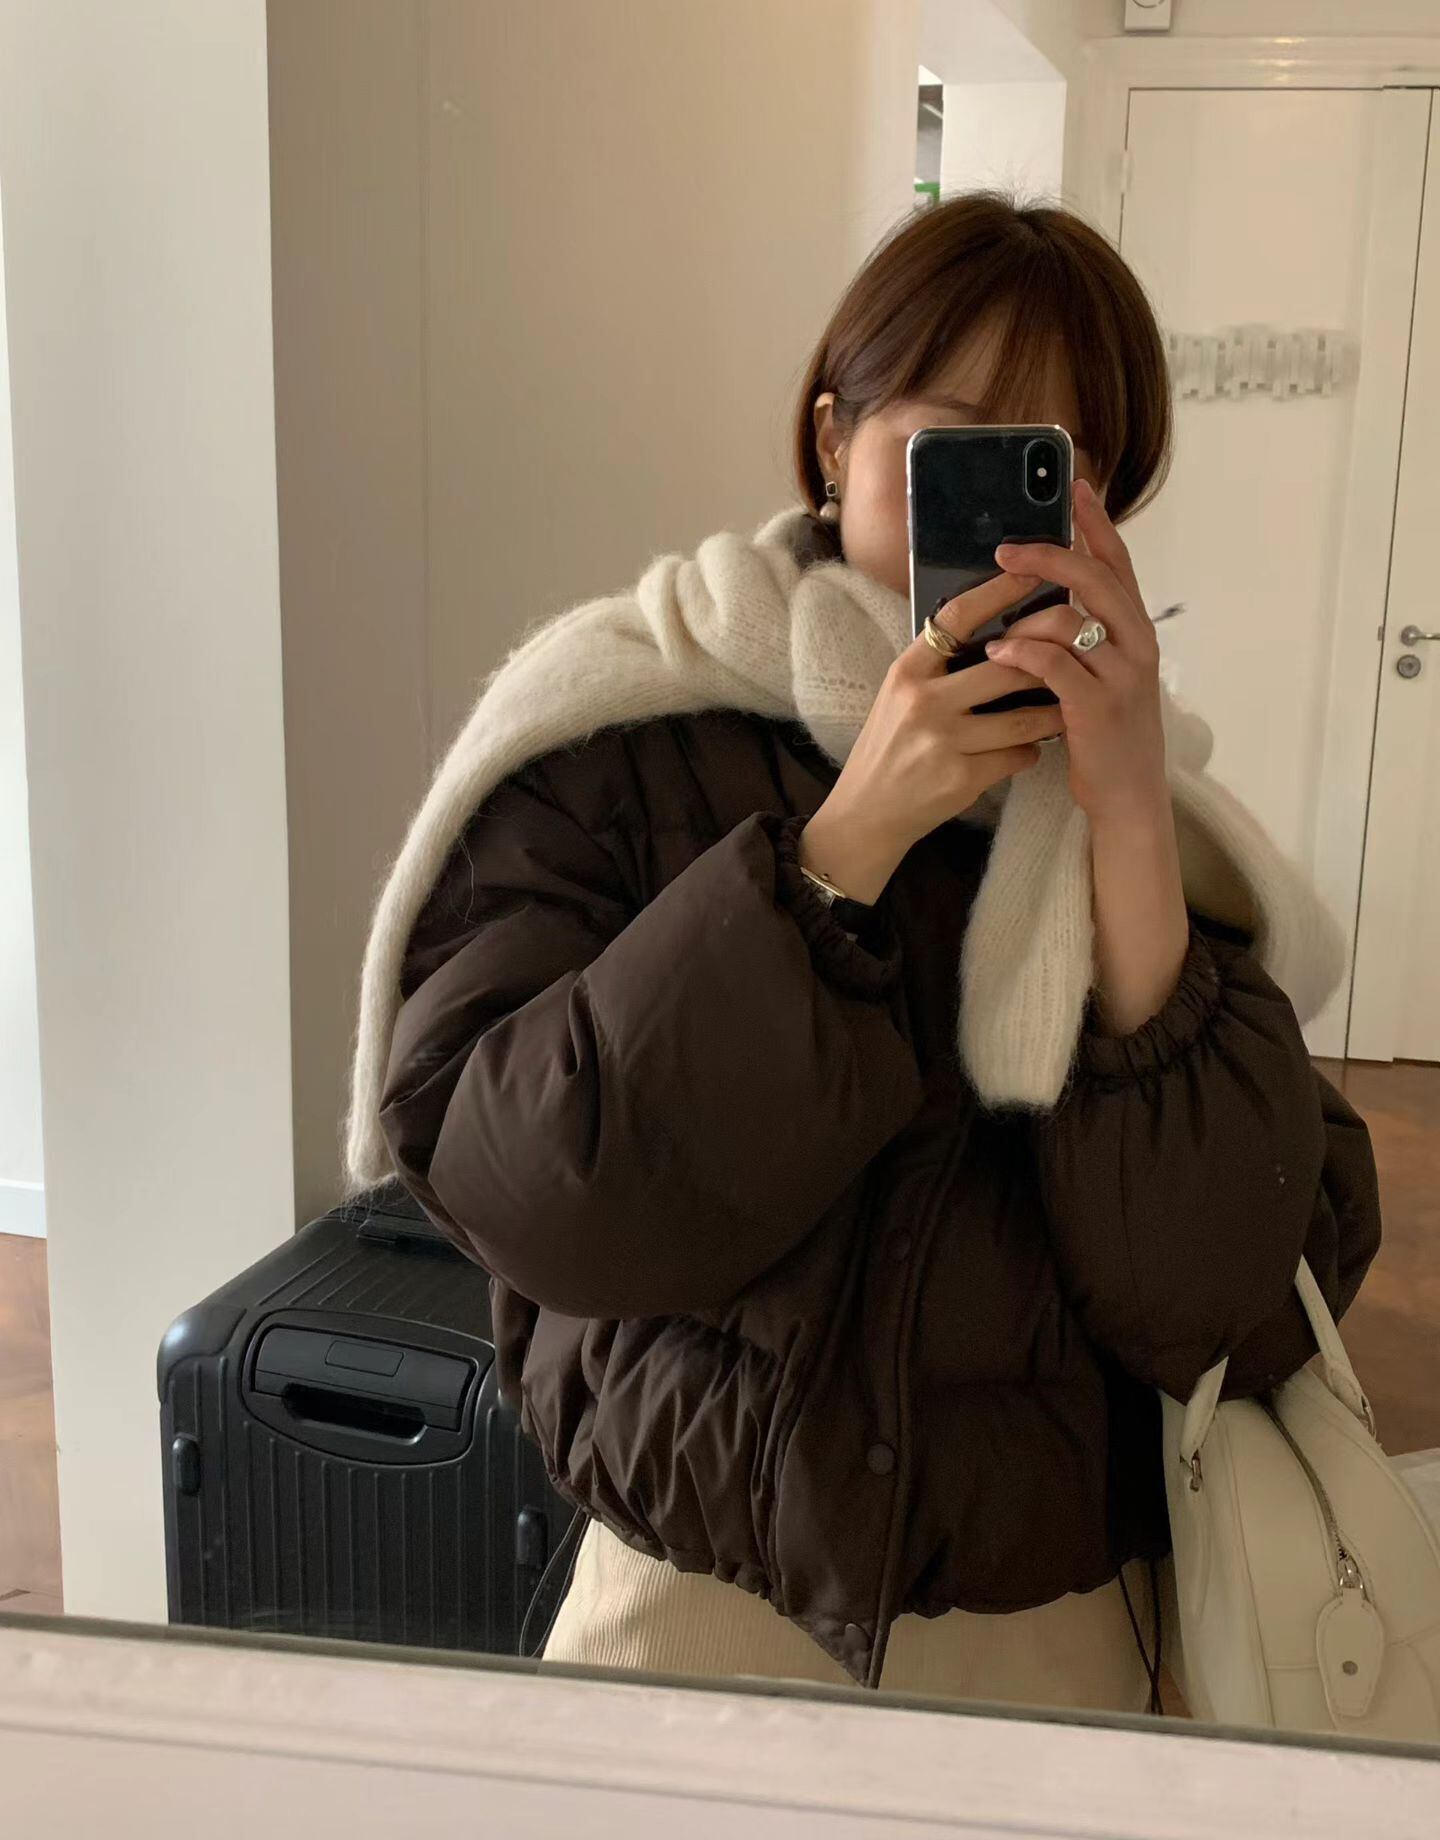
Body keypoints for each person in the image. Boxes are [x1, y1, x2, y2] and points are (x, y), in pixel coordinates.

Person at [367, 192, 1381, 1711]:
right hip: (695, 1593)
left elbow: (1211, 1298)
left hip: (1052, 1622)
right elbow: (529, 1191)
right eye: (954, 442)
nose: (1010, 513)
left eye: (1062, 467)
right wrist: (840, 851)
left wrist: (1124, 825)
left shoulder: (1163, 818)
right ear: (833, 437)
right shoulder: (627, 723)